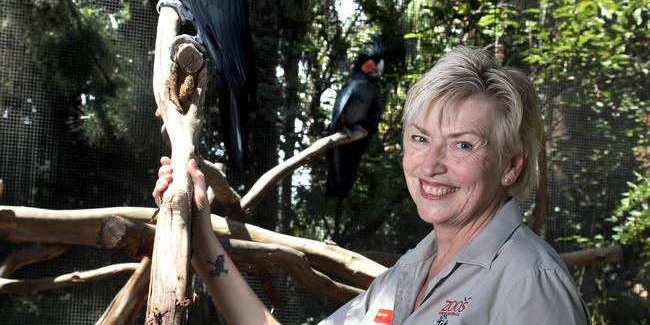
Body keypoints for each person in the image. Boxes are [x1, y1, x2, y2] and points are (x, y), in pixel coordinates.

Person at [153, 46, 591, 324]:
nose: (431, 164)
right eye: (420, 139)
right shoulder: (406, 275)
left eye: (461, 145)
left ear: (511, 167)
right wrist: (204, 240)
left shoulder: (529, 282)